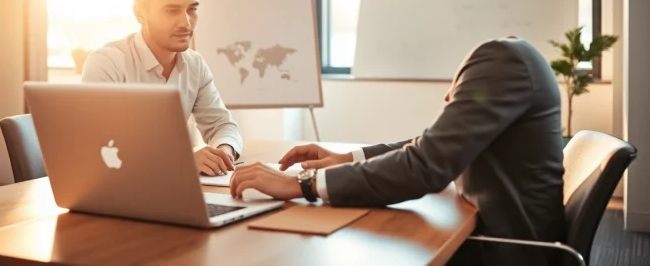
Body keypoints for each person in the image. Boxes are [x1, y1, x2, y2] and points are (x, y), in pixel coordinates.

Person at [230, 37, 565, 266]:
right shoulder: (514, 57)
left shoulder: (502, 61)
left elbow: (427, 166)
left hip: (500, 254)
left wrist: (303, 183)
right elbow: (433, 145)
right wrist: (346, 159)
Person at [81, 0, 243, 177]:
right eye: (171, 11)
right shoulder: (107, 64)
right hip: (118, 190)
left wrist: (222, 153)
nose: (186, 23)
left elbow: (223, 126)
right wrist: (182, 161)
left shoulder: (194, 65)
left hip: (171, 190)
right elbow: (102, 148)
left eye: (192, 9)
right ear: (140, 14)